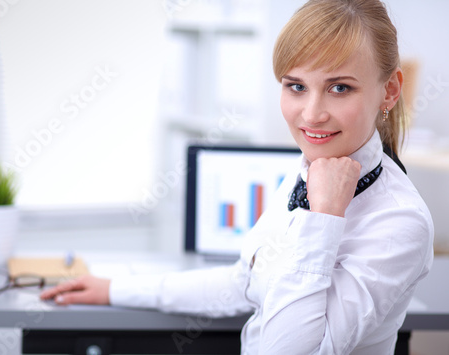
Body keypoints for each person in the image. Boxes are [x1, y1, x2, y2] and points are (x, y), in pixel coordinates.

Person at [41, 0, 434, 353]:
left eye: (340, 88)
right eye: (296, 86)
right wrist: (114, 289)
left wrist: (324, 218)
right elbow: (241, 283)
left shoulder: (400, 222)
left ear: (389, 91)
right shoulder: (308, 172)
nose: (312, 114)